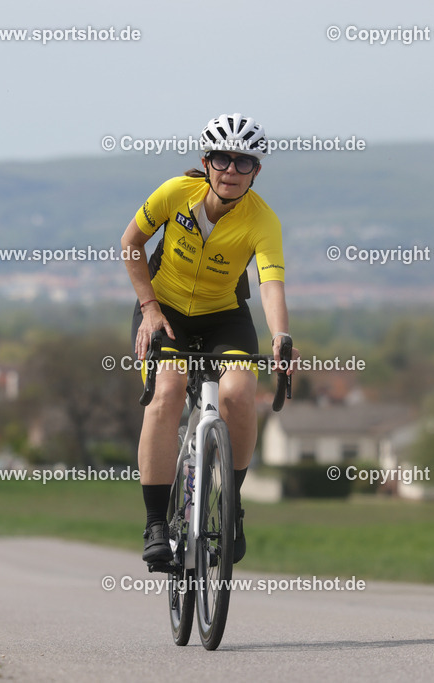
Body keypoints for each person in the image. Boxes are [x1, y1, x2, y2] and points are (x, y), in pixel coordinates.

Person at [120, 113, 300, 567]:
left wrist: (281, 336)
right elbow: (130, 244)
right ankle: (156, 522)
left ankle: (229, 505)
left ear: (257, 170)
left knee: (239, 393)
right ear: (206, 161)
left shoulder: (263, 220)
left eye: (244, 162)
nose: (232, 170)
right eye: (223, 159)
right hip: (165, 313)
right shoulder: (175, 193)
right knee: (167, 391)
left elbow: (271, 283)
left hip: (224, 318)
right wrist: (149, 309)